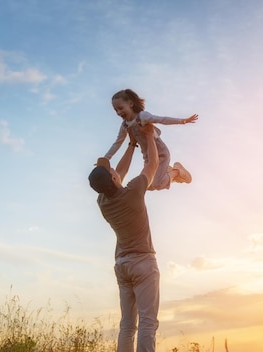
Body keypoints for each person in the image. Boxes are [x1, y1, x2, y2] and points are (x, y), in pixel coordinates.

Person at [88, 123, 160, 352]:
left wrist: (130, 144)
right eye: (112, 173)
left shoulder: (103, 202)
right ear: (114, 179)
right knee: (148, 322)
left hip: (122, 265)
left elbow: (118, 175)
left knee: (127, 325)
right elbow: (153, 164)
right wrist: (148, 137)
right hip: (143, 263)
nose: (115, 173)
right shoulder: (135, 191)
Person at [104, 88, 198, 191]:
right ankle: (167, 172)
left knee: (157, 184)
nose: (118, 112)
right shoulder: (125, 125)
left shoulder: (142, 116)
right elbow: (117, 143)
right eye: (116, 110)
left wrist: (182, 121)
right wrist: (106, 158)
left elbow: (161, 119)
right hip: (148, 157)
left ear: (130, 104)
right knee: (146, 186)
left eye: (120, 108)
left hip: (160, 153)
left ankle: (177, 172)